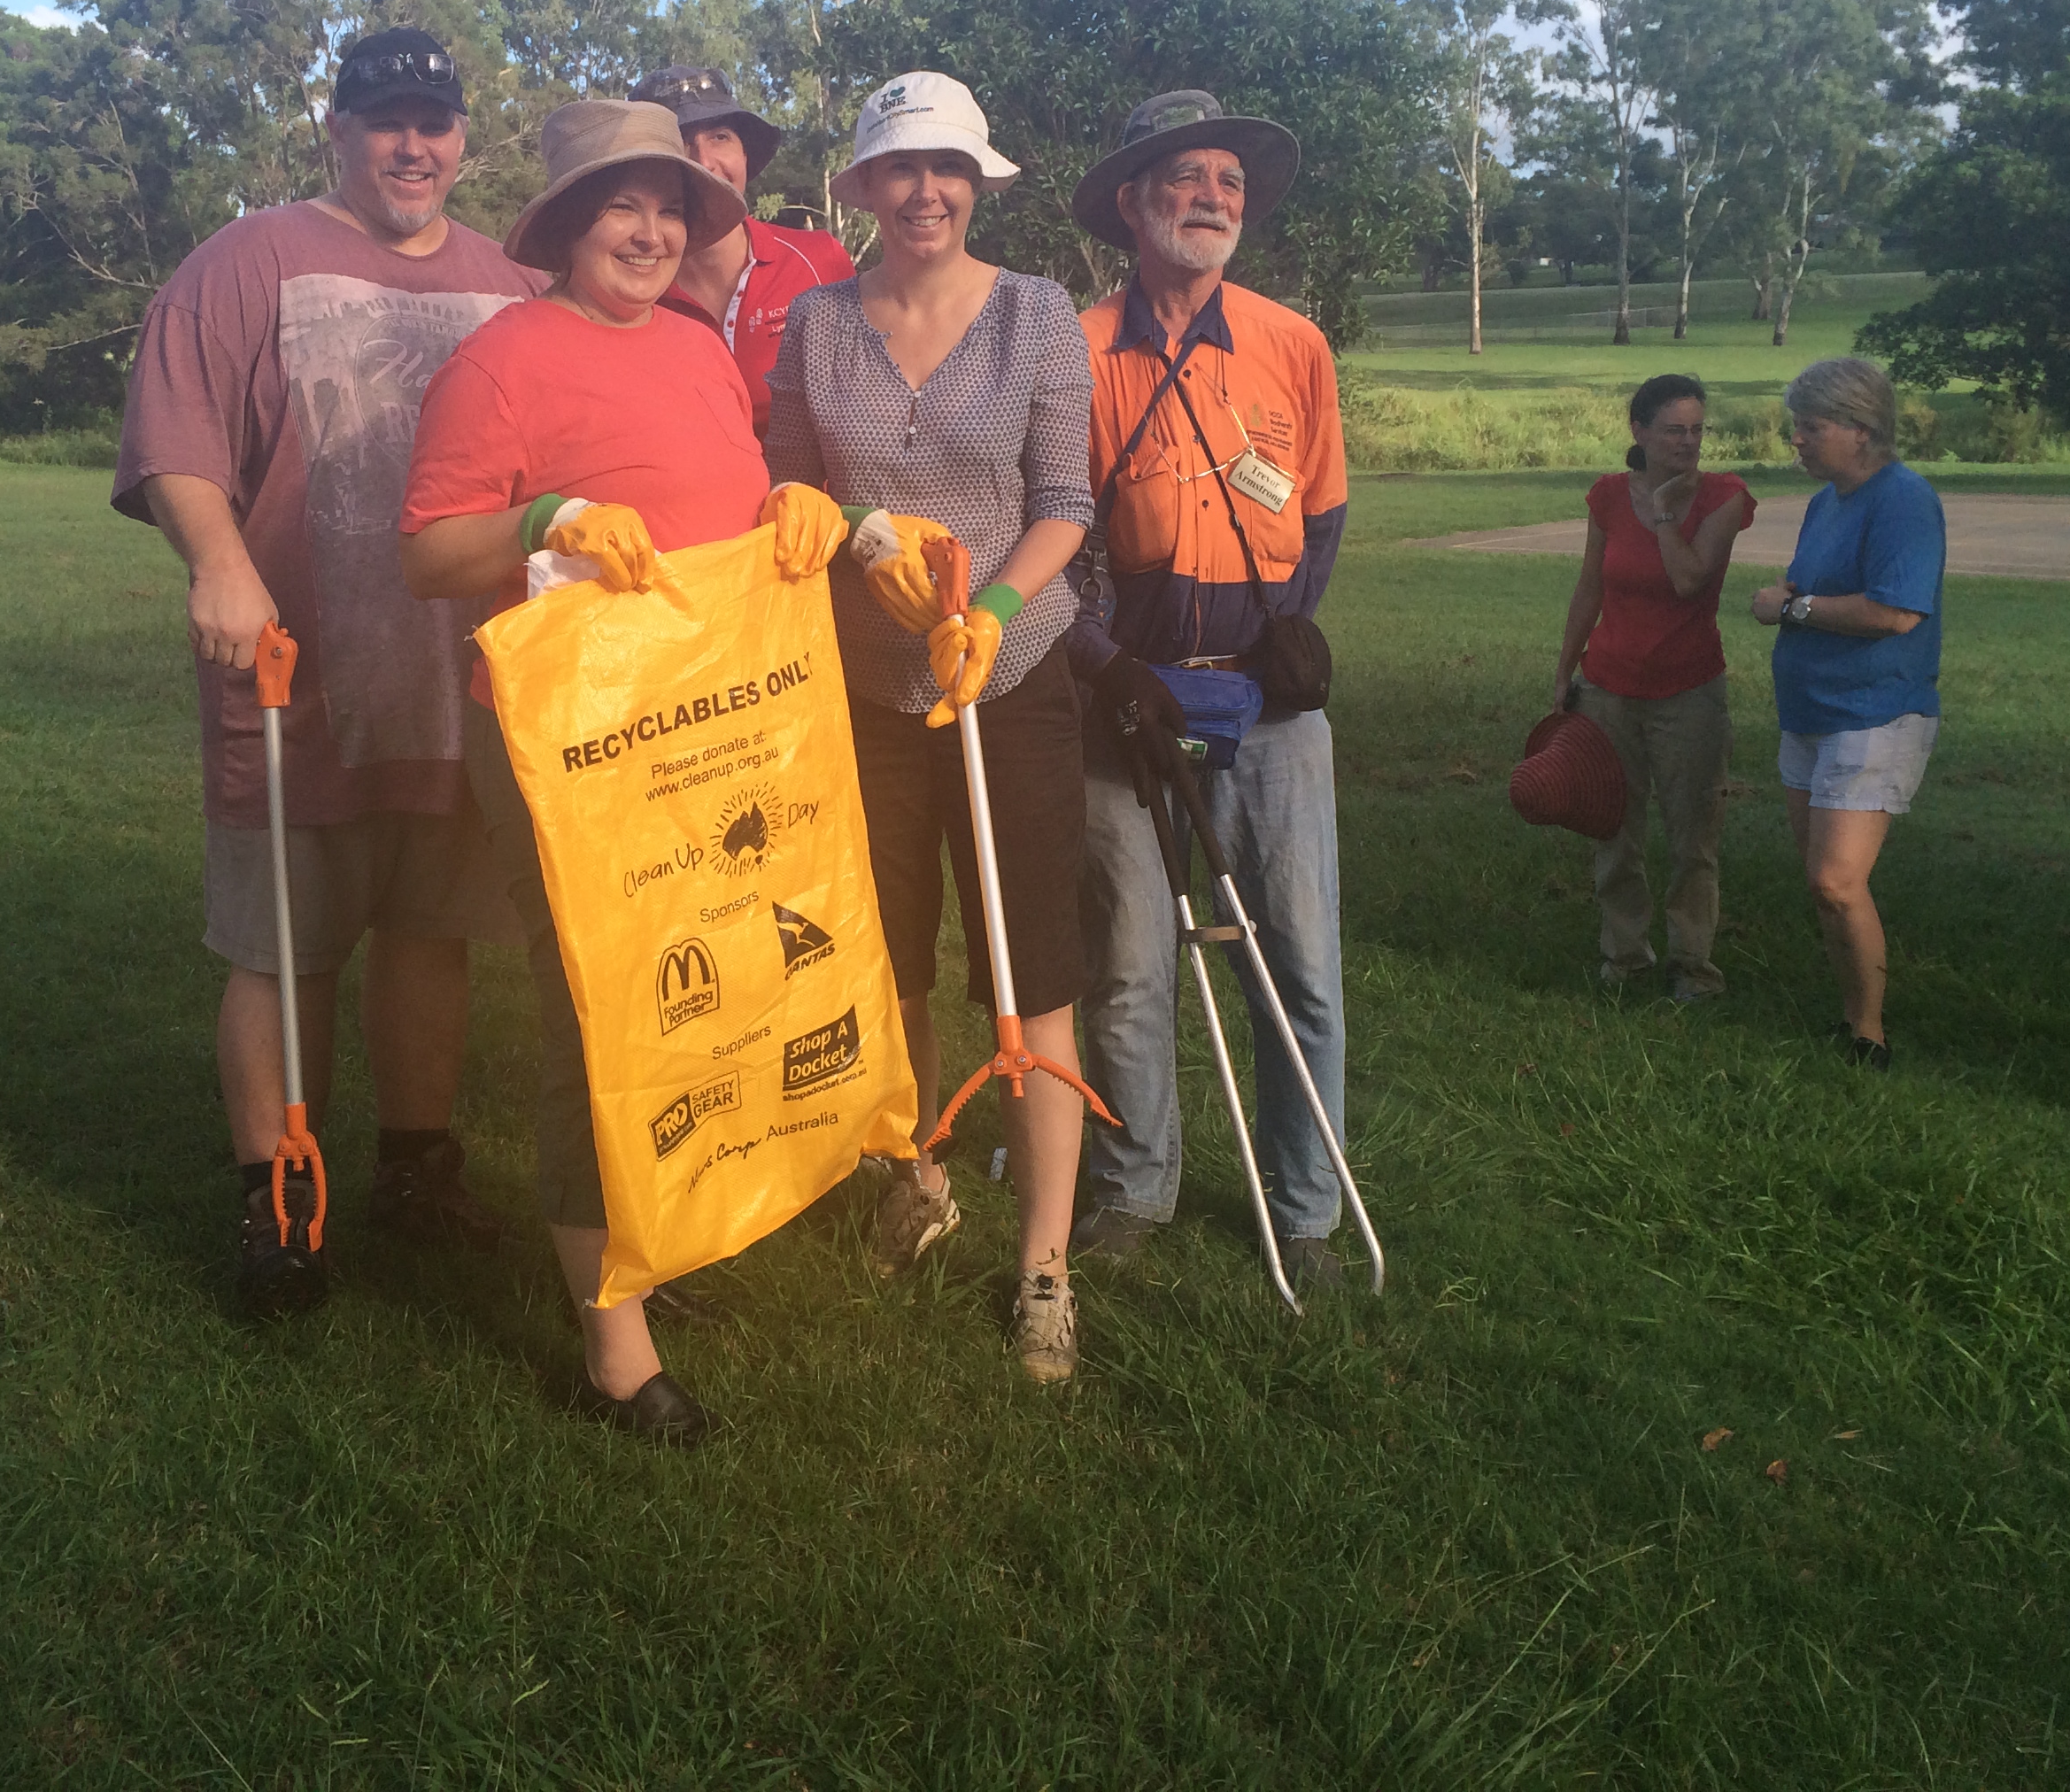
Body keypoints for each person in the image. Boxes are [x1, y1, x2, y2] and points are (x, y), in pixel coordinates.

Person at [399, 97, 844, 1445]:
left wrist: (788, 504)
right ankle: (613, 1349)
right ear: (568, 226)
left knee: (718, 987)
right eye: (621, 208)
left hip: (711, 717)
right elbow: (427, 552)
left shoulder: (705, 349)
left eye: (670, 209)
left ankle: (663, 1239)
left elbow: (726, 485)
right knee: (605, 1009)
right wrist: (546, 517)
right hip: (572, 737)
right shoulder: (501, 362)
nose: (652, 231)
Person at [114, 27, 544, 1320]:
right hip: (299, 672)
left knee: (434, 930)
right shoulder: (244, 263)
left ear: (465, 136)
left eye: (436, 121)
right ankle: (275, 1195)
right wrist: (215, 560)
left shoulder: (510, 284)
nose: (414, 145)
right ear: (337, 132)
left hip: (461, 679)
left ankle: (417, 1170)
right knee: (280, 946)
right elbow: (179, 437)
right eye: (385, 122)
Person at [764, 71, 1100, 1383]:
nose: (925, 192)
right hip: (864, 688)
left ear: (977, 183)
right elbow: (789, 480)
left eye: (947, 169)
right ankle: (917, 1178)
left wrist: (996, 607)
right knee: (885, 958)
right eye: (900, 171)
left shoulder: (1038, 314)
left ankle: (1045, 1264)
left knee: (1032, 972)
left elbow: (1064, 498)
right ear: (862, 189)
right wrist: (856, 536)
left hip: (1011, 683)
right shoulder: (816, 323)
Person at [1058, 91, 1360, 1292]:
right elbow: (1053, 544)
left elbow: (1322, 512)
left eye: (1229, 182)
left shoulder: (1296, 346)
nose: (1211, 199)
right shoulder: (1074, 352)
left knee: (1302, 968)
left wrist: (1294, 627)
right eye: (1184, 178)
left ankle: (1307, 1211)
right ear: (1132, 204)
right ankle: (1135, 1191)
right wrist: (1106, 667)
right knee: (1129, 966)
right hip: (1124, 704)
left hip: (1270, 710)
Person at [1749, 356, 1946, 1067]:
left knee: (1837, 880)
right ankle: (1850, 1017)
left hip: (1875, 713)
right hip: (1809, 710)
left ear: (1861, 431)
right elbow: (1810, 583)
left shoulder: (1903, 500)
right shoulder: (1826, 501)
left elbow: (1895, 611)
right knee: (1820, 882)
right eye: (1796, 425)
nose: (1795, 439)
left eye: (1811, 426)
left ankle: (1870, 1038)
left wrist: (1792, 607)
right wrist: (1789, 595)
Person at [1549, 375, 1757, 1001]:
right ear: (1639, 431)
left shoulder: (1725, 496)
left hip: (1688, 690)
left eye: (1697, 430)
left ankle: (1693, 969)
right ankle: (1624, 961)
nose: (1688, 442)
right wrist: (1565, 670)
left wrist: (1666, 510)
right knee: (1614, 831)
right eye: (1674, 430)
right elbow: (1591, 588)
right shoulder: (1609, 497)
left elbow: (1690, 578)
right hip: (1608, 686)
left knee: (1693, 836)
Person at [629, 63, 856, 437]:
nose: (704, 161)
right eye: (681, 143)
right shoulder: (630, 289)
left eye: (720, 137)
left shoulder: (819, 260)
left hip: (816, 496)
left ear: (746, 155)